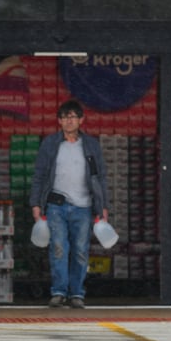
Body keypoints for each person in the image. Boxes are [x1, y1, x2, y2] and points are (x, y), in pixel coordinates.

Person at [30, 100, 111, 309]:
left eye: (73, 117)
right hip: (56, 205)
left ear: (81, 120)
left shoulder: (91, 145)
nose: (69, 121)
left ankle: (76, 293)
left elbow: (100, 177)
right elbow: (39, 176)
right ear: (59, 121)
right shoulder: (50, 144)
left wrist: (103, 206)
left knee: (81, 250)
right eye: (65, 117)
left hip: (84, 206)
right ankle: (58, 291)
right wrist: (36, 204)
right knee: (58, 248)